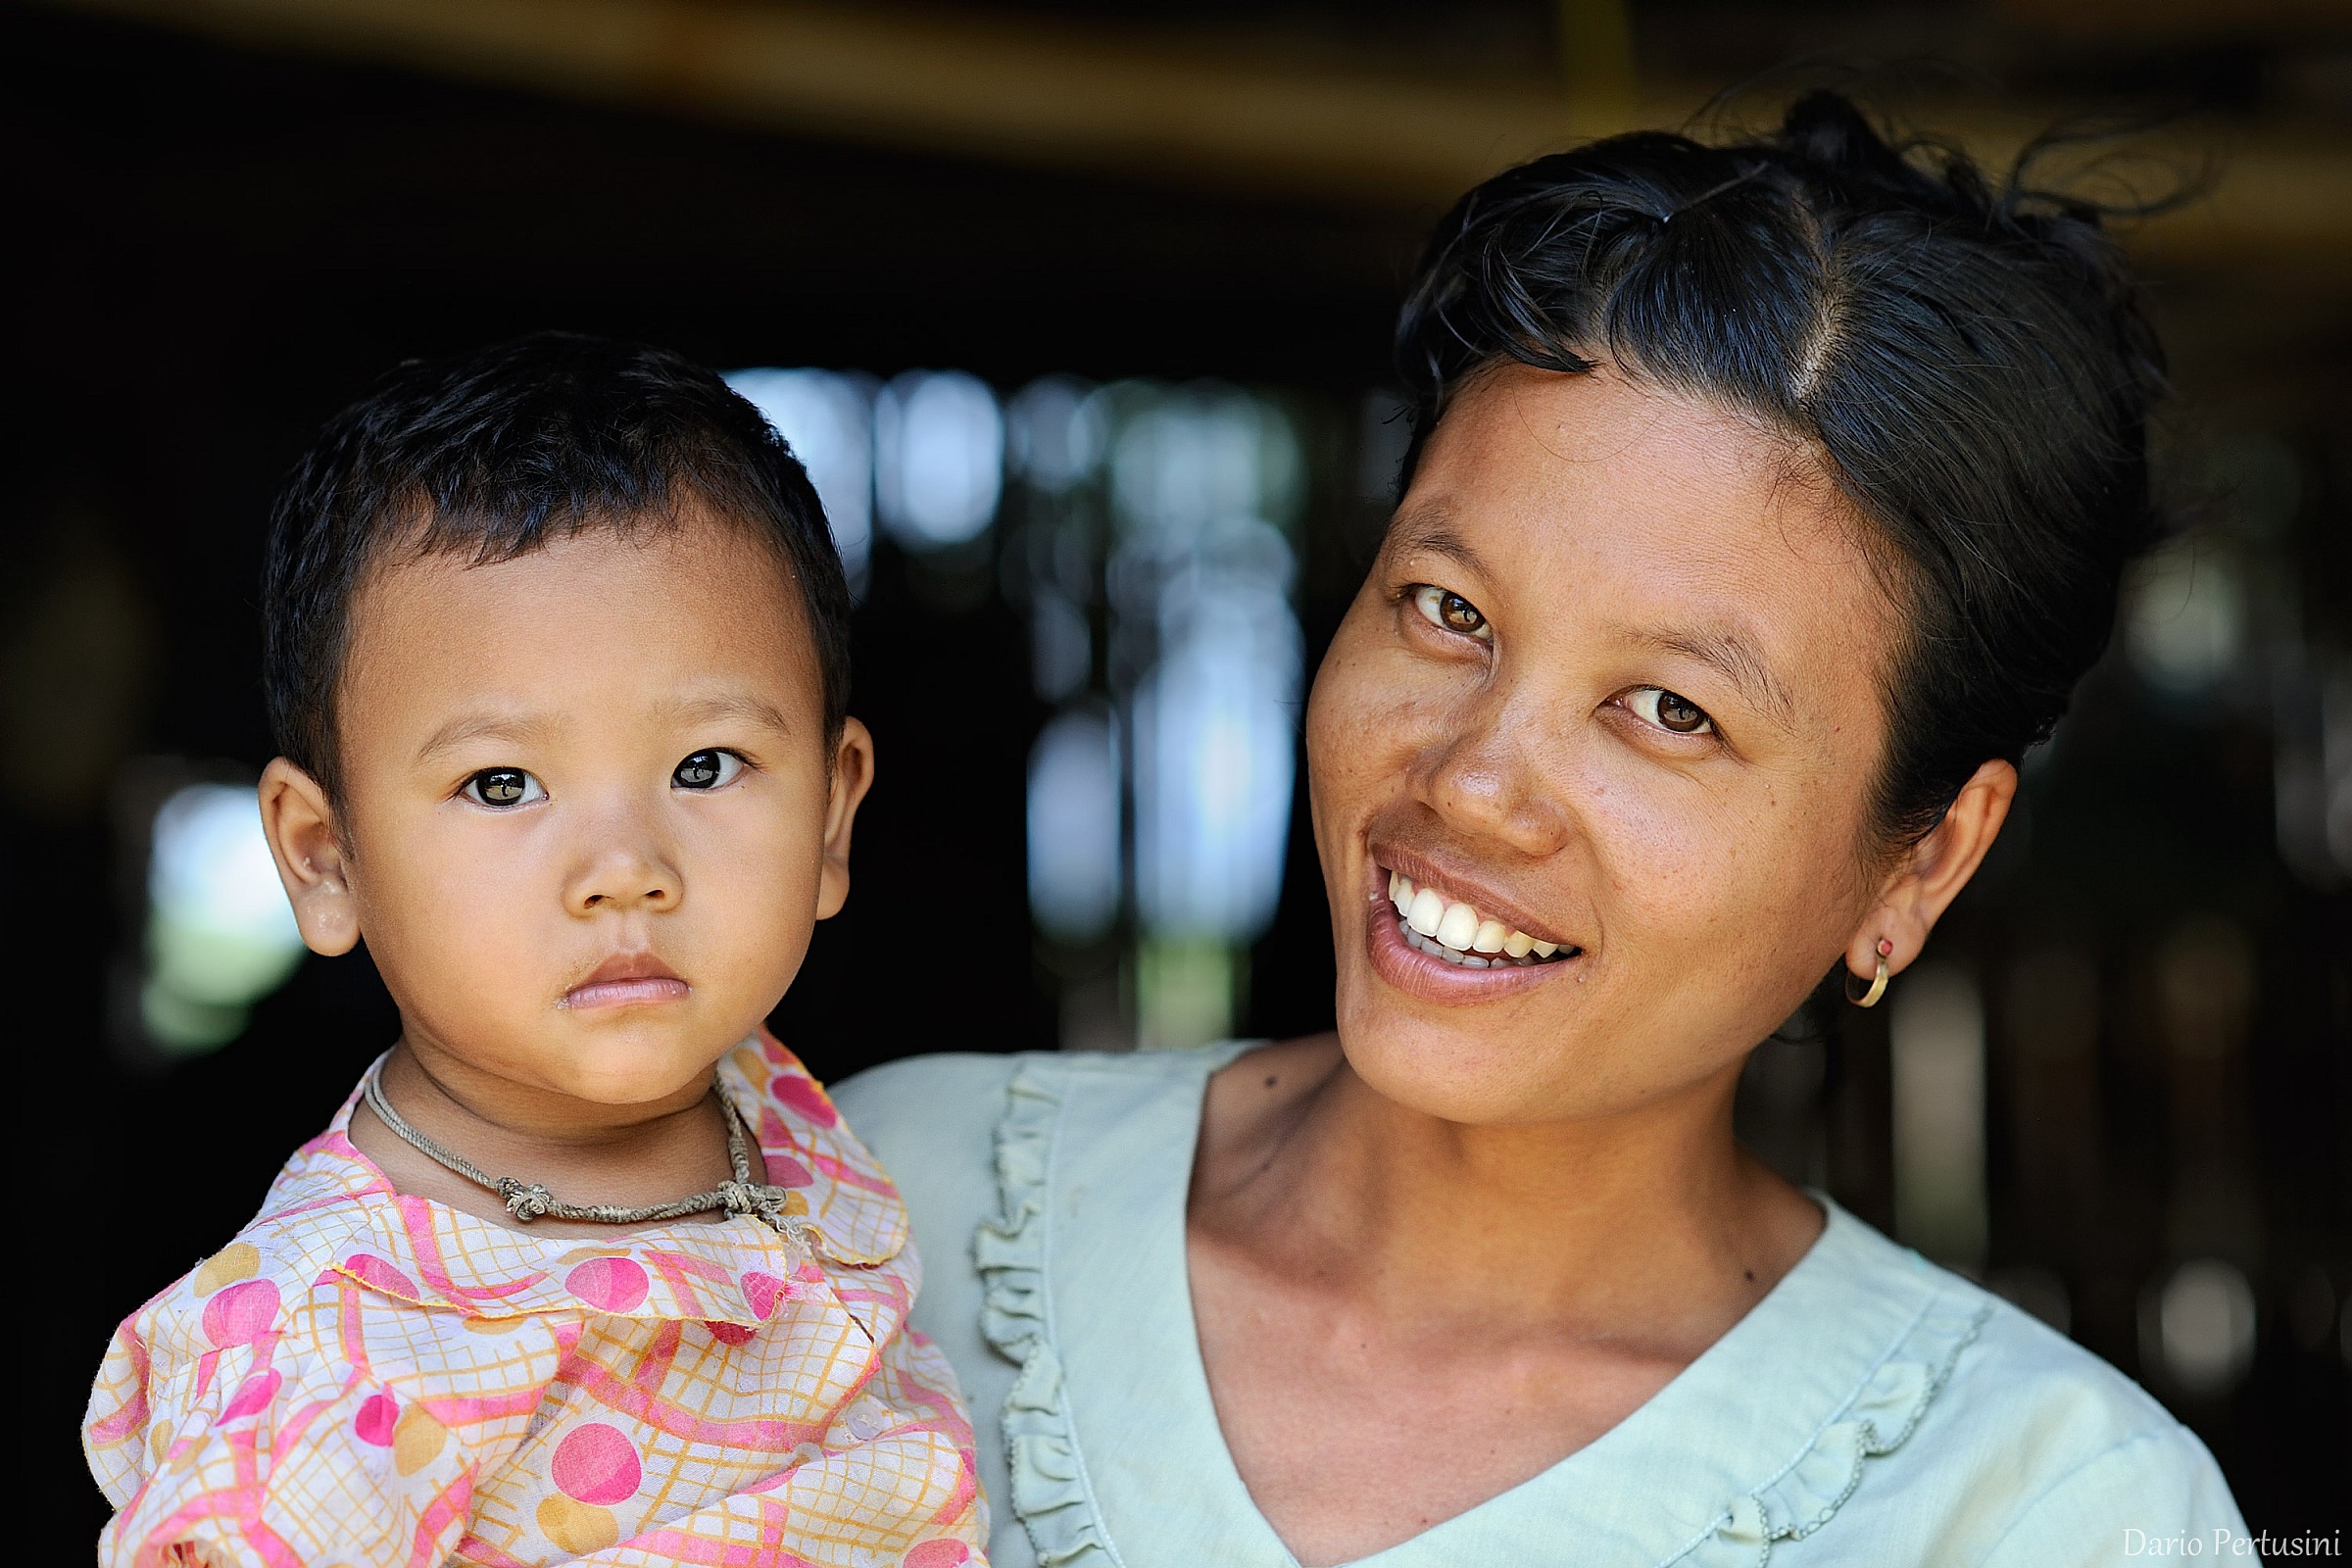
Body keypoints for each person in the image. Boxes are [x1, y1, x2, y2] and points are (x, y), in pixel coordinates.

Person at [835, 93, 2250, 1567]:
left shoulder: (2047, 1513)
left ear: (1922, 860)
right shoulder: (872, 1211)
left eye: (1670, 710)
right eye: (1450, 613)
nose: (1473, 782)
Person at [82, 335, 986, 1567]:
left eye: (705, 766)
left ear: (831, 820)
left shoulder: (764, 1104)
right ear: (324, 856)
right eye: (502, 782)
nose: (624, 866)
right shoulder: (327, 1362)